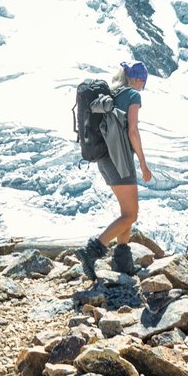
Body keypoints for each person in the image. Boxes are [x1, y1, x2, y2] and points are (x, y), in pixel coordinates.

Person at [76, 60, 152, 280]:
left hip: (104, 160)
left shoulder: (113, 93)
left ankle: (122, 261)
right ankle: (91, 251)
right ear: (138, 79)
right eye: (143, 83)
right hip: (120, 160)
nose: (142, 87)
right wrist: (143, 163)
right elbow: (133, 131)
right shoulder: (132, 96)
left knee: (126, 213)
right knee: (131, 214)